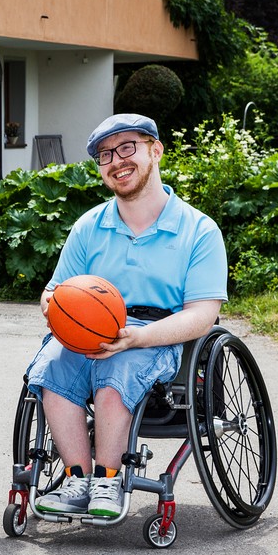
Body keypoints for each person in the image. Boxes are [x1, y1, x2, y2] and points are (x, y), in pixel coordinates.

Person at [26, 113, 228, 518]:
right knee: (50, 366)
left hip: (158, 334)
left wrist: (137, 337)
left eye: (127, 148)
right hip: (89, 331)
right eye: (105, 155)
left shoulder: (198, 230)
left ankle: (109, 479)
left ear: (156, 151)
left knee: (117, 368)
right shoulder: (89, 227)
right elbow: (52, 291)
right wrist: (55, 308)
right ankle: (77, 477)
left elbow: (204, 314)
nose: (116, 160)